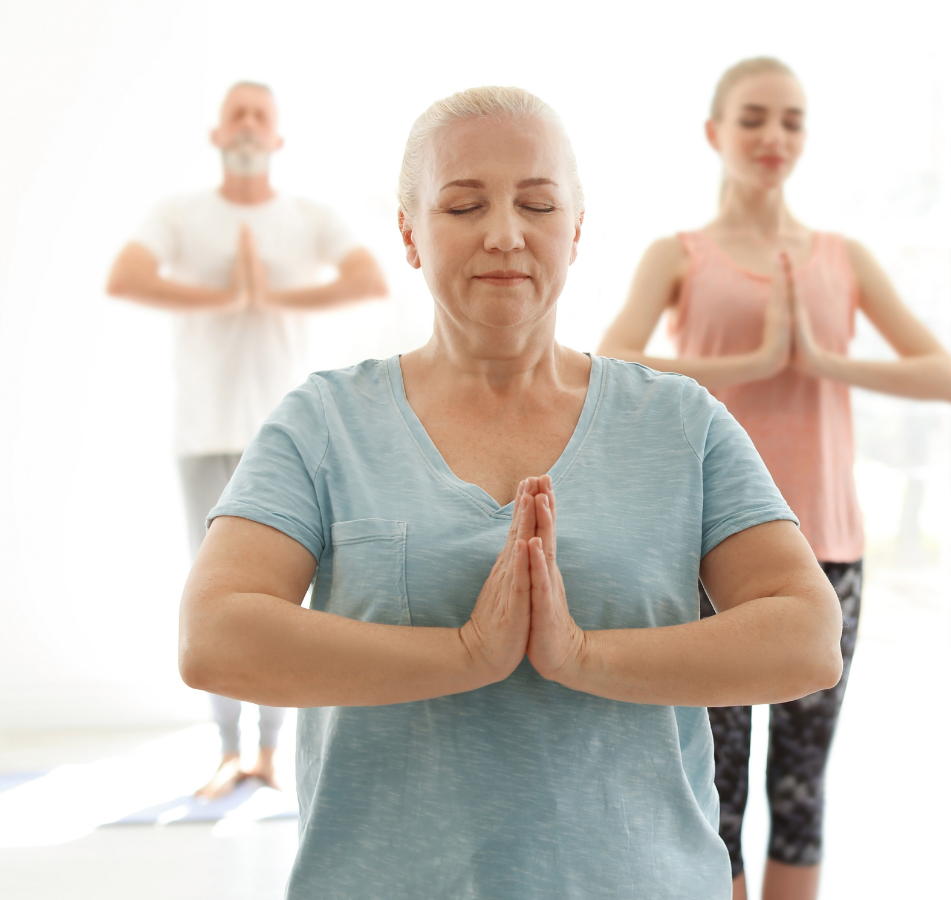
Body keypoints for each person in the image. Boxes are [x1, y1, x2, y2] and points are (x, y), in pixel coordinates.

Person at [178, 85, 842, 900]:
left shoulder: (679, 423)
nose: (504, 234)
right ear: (410, 234)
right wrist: (464, 654)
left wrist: (582, 656)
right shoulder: (325, 422)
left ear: (575, 230)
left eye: (536, 203)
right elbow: (214, 635)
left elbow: (808, 635)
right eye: (462, 206)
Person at [597, 57, 951, 900]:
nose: (774, 137)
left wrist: (824, 361)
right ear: (714, 133)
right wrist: (750, 361)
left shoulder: (842, 258)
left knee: (801, 789)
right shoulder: (679, 253)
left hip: (828, 548)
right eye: (755, 118)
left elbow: (946, 377)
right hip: (707, 556)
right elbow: (607, 362)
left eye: (792, 121)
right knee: (711, 790)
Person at [106, 81, 387, 800]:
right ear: (218, 132)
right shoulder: (181, 214)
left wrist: (272, 297)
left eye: (262, 115)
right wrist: (226, 298)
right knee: (215, 595)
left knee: (289, 599)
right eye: (238, 113)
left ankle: (274, 752)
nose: (249, 125)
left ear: (278, 138)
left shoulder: (305, 217)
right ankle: (231, 751)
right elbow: (126, 275)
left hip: (287, 434)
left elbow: (367, 277)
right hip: (203, 433)